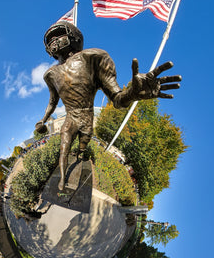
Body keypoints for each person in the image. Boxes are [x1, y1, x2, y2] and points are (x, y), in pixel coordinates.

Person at [35, 21, 181, 191]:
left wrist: (133, 93)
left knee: (82, 147)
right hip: (70, 115)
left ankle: (80, 160)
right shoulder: (50, 74)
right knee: (64, 146)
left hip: (86, 115)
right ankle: (62, 180)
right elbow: (53, 100)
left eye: (58, 35)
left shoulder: (93, 58)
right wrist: (43, 120)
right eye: (50, 40)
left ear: (73, 37)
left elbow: (117, 99)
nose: (54, 41)